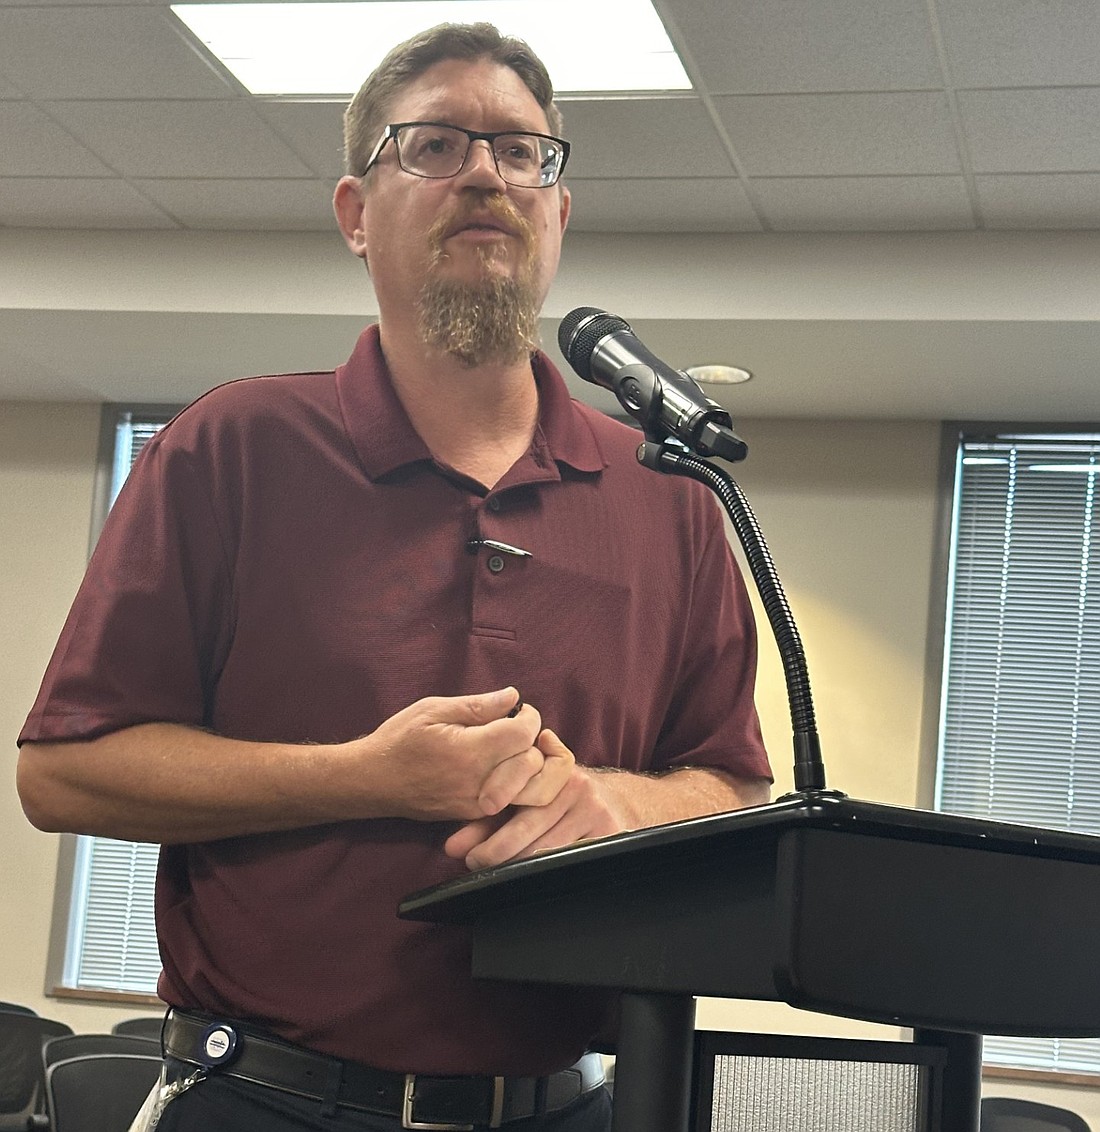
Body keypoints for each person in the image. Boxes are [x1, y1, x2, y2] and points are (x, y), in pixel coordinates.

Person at [16, 21, 771, 1132]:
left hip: (564, 1106)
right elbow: (63, 774)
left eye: (522, 152)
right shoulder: (234, 444)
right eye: (433, 146)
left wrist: (613, 802)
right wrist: (370, 775)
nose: (484, 172)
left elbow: (730, 787)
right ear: (355, 216)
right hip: (264, 1098)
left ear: (557, 213)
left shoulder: (668, 495)